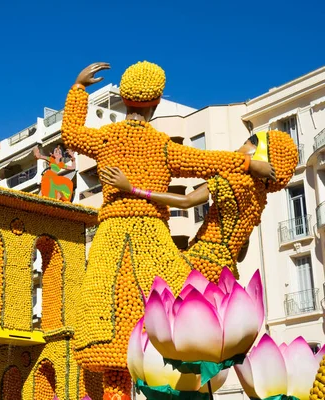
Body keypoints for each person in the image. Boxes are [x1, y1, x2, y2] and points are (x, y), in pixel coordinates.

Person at [60, 61, 277, 399]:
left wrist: (78, 88)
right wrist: (249, 162)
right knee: (174, 327)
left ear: (124, 100)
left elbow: (70, 134)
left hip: (110, 241)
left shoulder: (105, 139)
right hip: (152, 241)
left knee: (112, 340)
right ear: (157, 102)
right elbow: (210, 161)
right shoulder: (162, 146)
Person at [100, 131, 297, 282]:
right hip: (225, 272)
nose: (239, 148)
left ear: (258, 153)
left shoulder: (234, 180)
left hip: (200, 261)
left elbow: (187, 201)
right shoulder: (259, 199)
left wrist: (133, 189)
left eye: (246, 144)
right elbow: (242, 252)